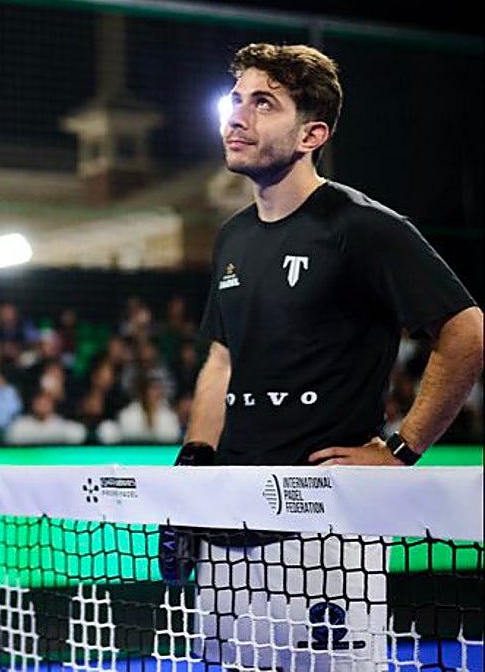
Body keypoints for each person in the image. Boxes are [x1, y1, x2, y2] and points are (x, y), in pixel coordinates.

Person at [170, 42, 484, 671]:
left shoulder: (364, 227)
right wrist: (195, 462)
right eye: (236, 100)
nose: (237, 118)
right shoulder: (231, 236)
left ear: (312, 133)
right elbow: (222, 361)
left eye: (264, 103)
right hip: (228, 521)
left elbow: (466, 328)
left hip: (327, 530)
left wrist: (401, 449)